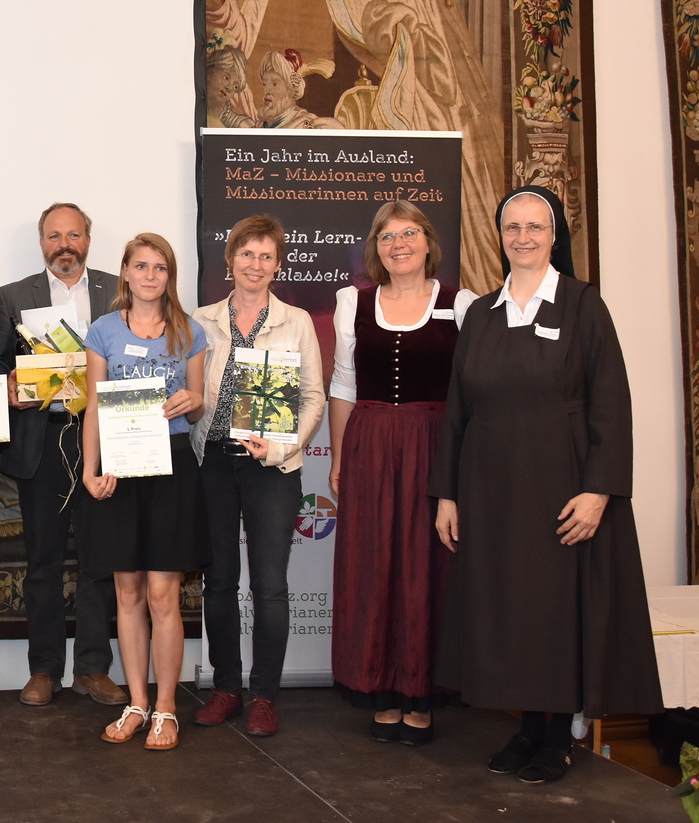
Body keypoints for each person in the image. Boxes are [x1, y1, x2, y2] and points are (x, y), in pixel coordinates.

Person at [431, 185, 662, 784]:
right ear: (499, 236)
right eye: (513, 227)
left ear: (554, 235)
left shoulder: (583, 305)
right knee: (510, 608)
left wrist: (599, 490)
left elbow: (611, 404)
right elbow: (458, 409)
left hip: (563, 486)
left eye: (535, 226)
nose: (523, 237)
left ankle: (557, 737)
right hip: (492, 491)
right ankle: (529, 728)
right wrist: (447, 494)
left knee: (555, 611)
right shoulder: (482, 312)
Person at [326, 201, 476, 745]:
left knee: (425, 567)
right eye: (387, 237)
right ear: (376, 249)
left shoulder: (461, 304)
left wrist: (461, 468)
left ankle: (421, 694)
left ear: (428, 242)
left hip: (432, 445)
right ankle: (380, 689)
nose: (399, 244)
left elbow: (470, 393)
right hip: (369, 444)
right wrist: (338, 459)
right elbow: (344, 383)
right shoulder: (352, 302)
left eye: (409, 233)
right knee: (373, 565)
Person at [190, 214, 325, 739]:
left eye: (266, 256)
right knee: (220, 581)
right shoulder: (201, 320)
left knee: (269, 585)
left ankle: (265, 695)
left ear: (278, 265)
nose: (255, 264)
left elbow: (312, 397)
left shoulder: (297, 321)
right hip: (214, 463)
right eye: (247, 254)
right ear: (230, 259)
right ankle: (226, 687)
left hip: (272, 467)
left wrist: (281, 447)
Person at [0, 203, 124, 709]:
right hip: (40, 442)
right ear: (42, 242)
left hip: (103, 440)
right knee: (42, 562)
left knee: (99, 559)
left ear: (87, 238)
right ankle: (44, 669)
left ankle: (92, 668)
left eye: (73, 234)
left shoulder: (120, 290)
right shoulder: (11, 296)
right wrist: (9, 388)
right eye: (53, 235)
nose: (64, 244)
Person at [81, 233, 208, 752]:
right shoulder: (102, 330)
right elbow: (93, 406)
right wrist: (90, 471)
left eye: (160, 267)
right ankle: (136, 703)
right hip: (120, 464)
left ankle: (167, 706)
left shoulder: (190, 331)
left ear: (169, 276)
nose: (150, 275)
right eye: (141, 266)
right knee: (127, 592)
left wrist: (192, 401)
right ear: (125, 273)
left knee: (162, 594)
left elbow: (198, 406)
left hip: (171, 465)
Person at [259, 49, 345, 130]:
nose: (267, 90)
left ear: (290, 90)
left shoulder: (305, 124)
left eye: (275, 84)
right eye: (264, 84)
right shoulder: (259, 126)